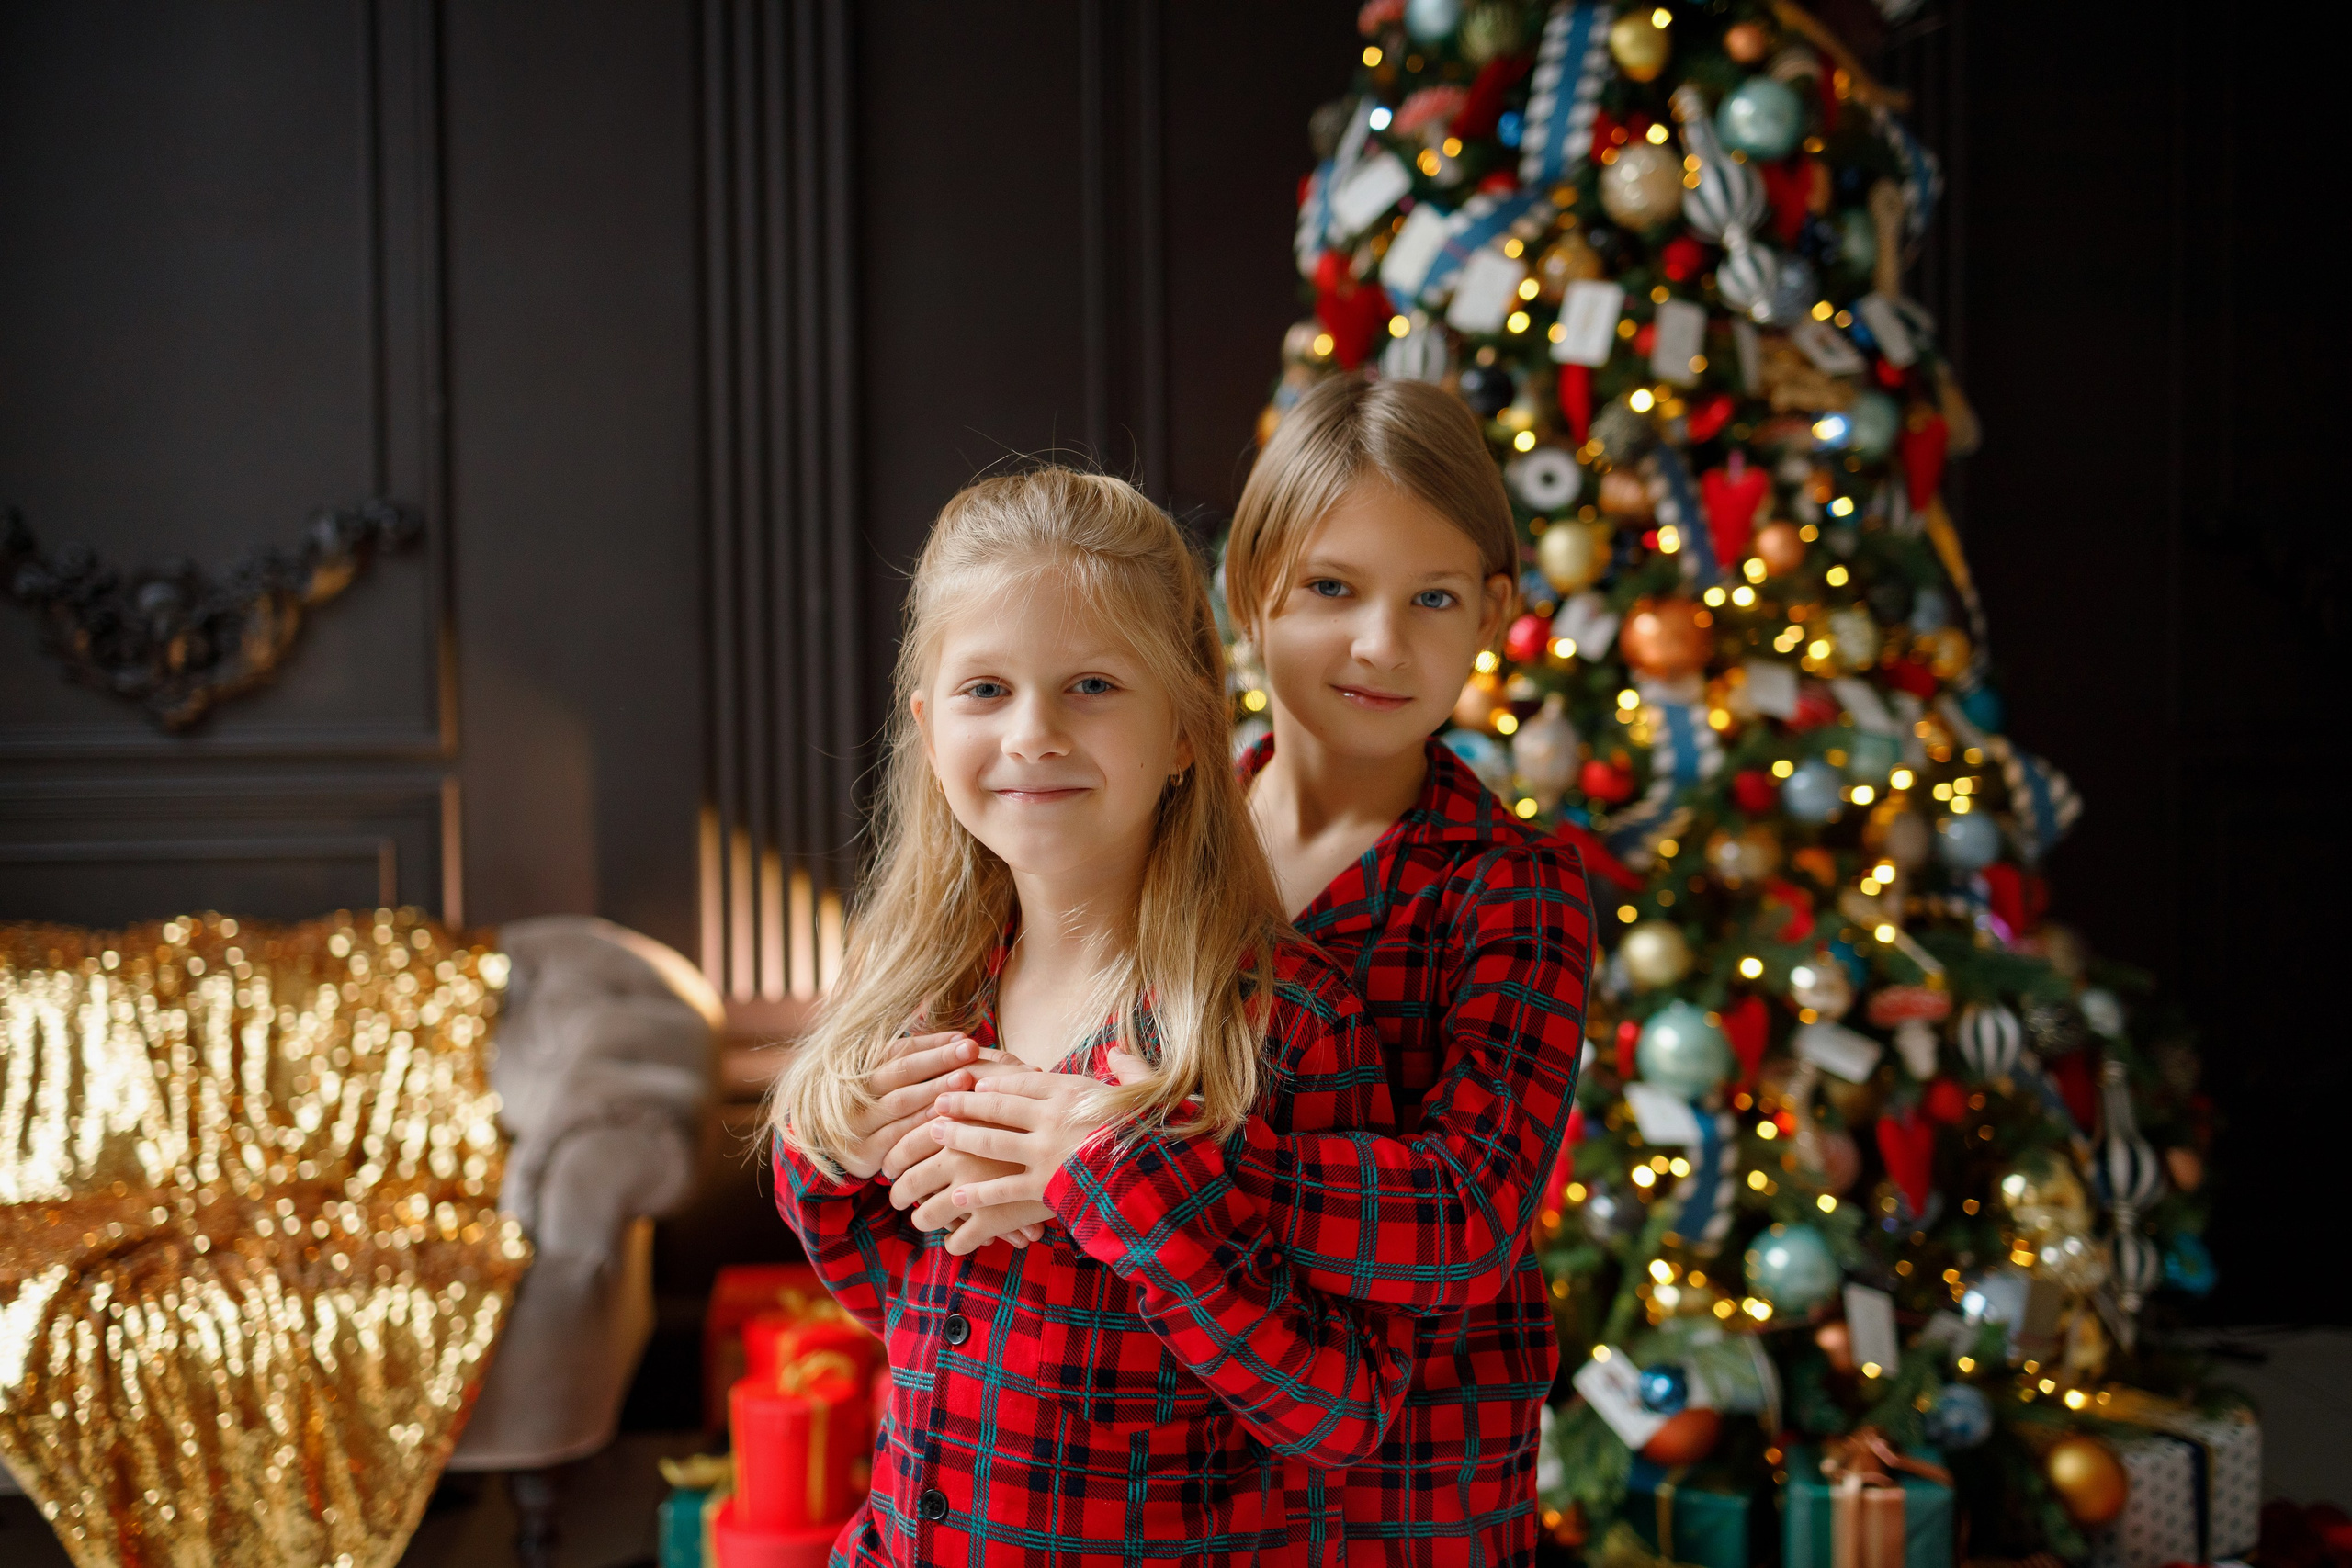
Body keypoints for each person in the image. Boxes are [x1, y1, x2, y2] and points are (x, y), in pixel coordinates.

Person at [900, 376, 1594, 1565]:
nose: (1379, 642)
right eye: (1331, 587)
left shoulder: (1513, 889)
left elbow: (1469, 1214)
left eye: (1432, 598)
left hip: (1411, 1494)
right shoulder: (1133, 821)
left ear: (1493, 613)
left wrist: (1120, 1157)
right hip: (1166, 1479)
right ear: (1248, 591)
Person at [767, 467, 1413, 1566]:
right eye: (985, 691)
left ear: (1183, 732)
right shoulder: (926, 993)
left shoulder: (1278, 1023)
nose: (1033, 734)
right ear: (926, 728)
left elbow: (1337, 1413)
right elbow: (908, 1305)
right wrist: (833, 1158)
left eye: (1093, 687)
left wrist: (1115, 1181)